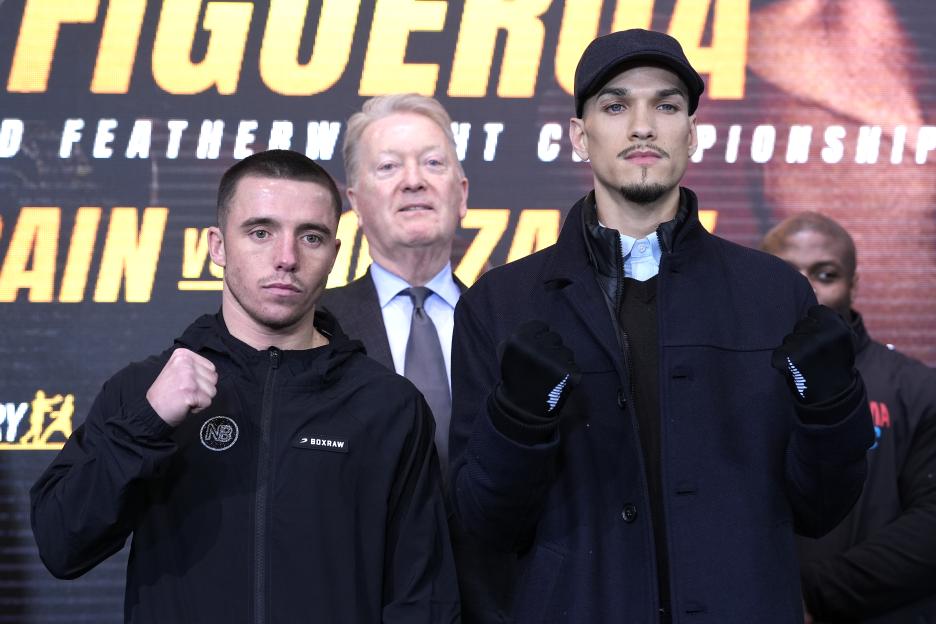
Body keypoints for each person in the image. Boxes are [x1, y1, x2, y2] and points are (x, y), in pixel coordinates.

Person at [448, 29, 874, 623]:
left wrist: (832, 410)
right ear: (580, 136)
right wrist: (519, 419)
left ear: (691, 135)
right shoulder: (501, 304)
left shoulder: (776, 294)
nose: (642, 126)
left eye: (666, 105)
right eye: (616, 105)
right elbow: (485, 522)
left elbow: (820, 509)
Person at [30, 150, 459, 623]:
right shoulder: (144, 391)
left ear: (335, 254)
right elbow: (61, 544)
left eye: (311, 237)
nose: (286, 258)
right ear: (217, 246)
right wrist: (147, 423)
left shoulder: (387, 406)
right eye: (260, 232)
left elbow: (424, 600)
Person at [763, 212, 936, 623]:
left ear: (853, 285)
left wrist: (811, 594)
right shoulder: (720, 387)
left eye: (825, 274)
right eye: (786, 274)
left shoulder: (917, 389)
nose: (806, 290)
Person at [320, 94, 469, 475]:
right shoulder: (316, 326)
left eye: (433, 163)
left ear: (462, 194)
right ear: (356, 204)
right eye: (388, 166)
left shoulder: (505, 321)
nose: (414, 181)